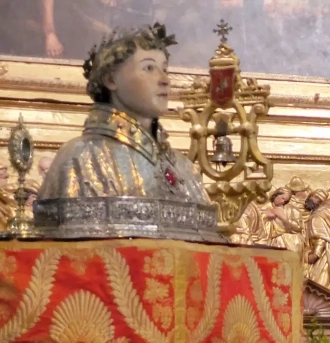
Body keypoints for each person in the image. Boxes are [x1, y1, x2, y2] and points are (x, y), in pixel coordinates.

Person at [33, 22, 222, 242]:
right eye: (149, 68)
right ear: (111, 79)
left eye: (165, 69)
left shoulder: (183, 166)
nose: (165, 79)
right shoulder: (80, 157)